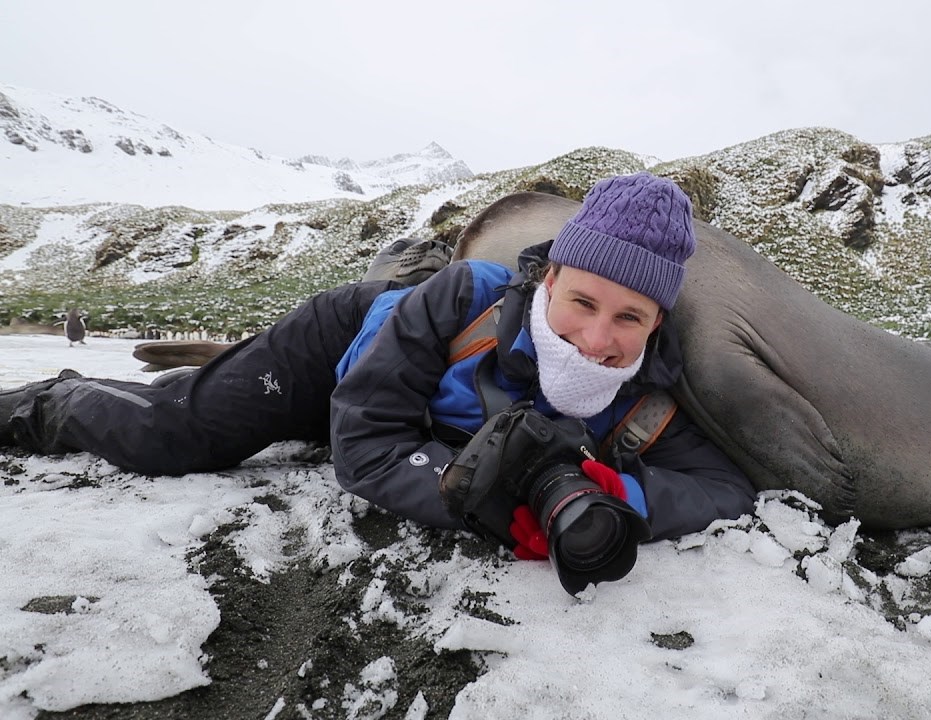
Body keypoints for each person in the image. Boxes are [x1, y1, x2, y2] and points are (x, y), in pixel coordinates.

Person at [0, 172, 757, 586]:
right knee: (175, 433)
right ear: (550, 276)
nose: (598, 340)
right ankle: (47, 402)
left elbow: (723, 486)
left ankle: (395, 262)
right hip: (343, 349)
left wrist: (608, 491)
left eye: (629, 318)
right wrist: (485, 493)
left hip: (414, 410)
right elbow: (361, 447)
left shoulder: (647, 395)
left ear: (657, 322)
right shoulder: (466, 300)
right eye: (582, 302)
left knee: (198, 410)